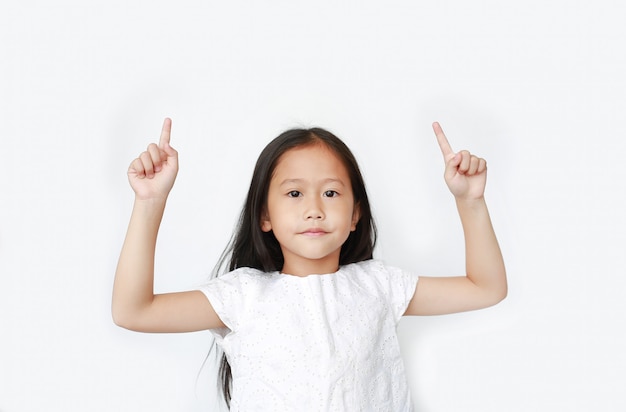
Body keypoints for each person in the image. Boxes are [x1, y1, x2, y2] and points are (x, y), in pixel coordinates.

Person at [112, 118, 507, 411]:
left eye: (331, 192)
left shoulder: (380, 286)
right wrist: (149, 202)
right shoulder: (242, 296)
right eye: (295, 193)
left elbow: (486, 287)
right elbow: (134, 311)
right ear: (264, 216)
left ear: (355, 216)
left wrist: (469, 201)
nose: (315, 209)